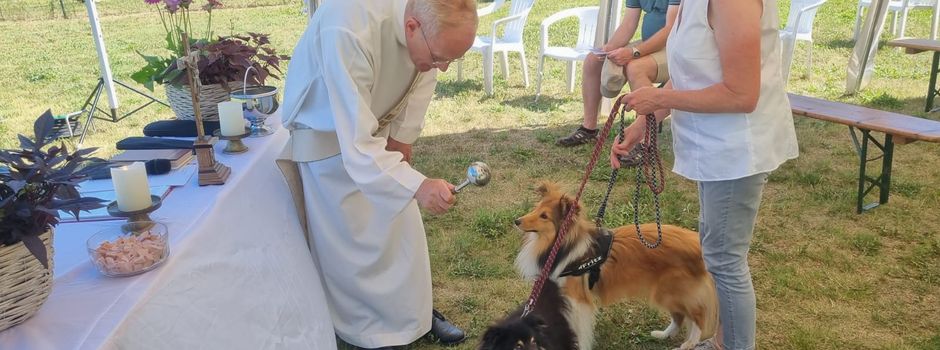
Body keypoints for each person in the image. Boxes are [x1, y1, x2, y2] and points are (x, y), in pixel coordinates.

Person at [277, 0, 477, 349]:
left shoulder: (426, 26)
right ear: (412, 27)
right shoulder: (348, 28)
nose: (443, 68)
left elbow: (423, 74)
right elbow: (355, 144)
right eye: (442, 56)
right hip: (328, 142)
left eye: (453, 59)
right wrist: (417, 185)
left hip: (372, 136)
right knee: (354, 249)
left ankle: (415, 315)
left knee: (403, 232)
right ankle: (367, 331)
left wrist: (402, 138)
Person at [610, 0, 799, 348]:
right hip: (716, 148)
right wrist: (644, 121)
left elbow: (742, 94)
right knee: (717, 252)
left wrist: (655, 100)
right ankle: (722, 342)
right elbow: (691, 74)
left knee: (725, 259)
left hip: (738, 148)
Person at [556, 0, 680, 147]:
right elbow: (628, 24)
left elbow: (670, 29)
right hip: (651, 44)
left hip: (676, 47)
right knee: (593, 60)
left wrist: (633, 52)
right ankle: (588, 129)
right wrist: (609, 48)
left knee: (636, 68)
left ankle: (645, 142)